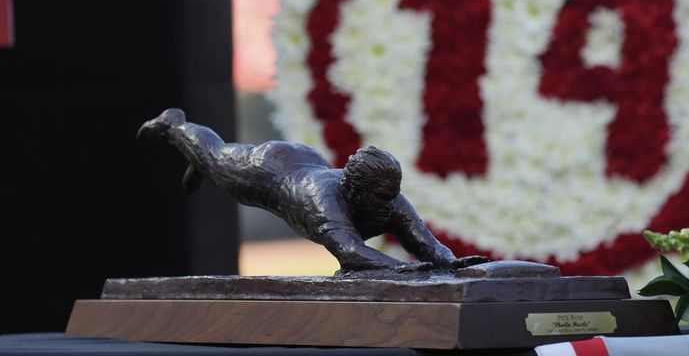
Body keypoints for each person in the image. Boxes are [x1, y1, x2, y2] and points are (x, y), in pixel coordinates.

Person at [138, 109, 486, 273]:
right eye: (382, 197)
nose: (392, 204)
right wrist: (403, 269)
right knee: (217, 160)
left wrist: (451, 262)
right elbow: (350, 254)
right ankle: (176, 125)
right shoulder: (323, 201)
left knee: (214, 166)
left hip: (307, 161)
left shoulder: (387, 194)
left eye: (394, 193)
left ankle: (201, 162)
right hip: (269, 170)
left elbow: (422, 240)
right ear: (355, 192)